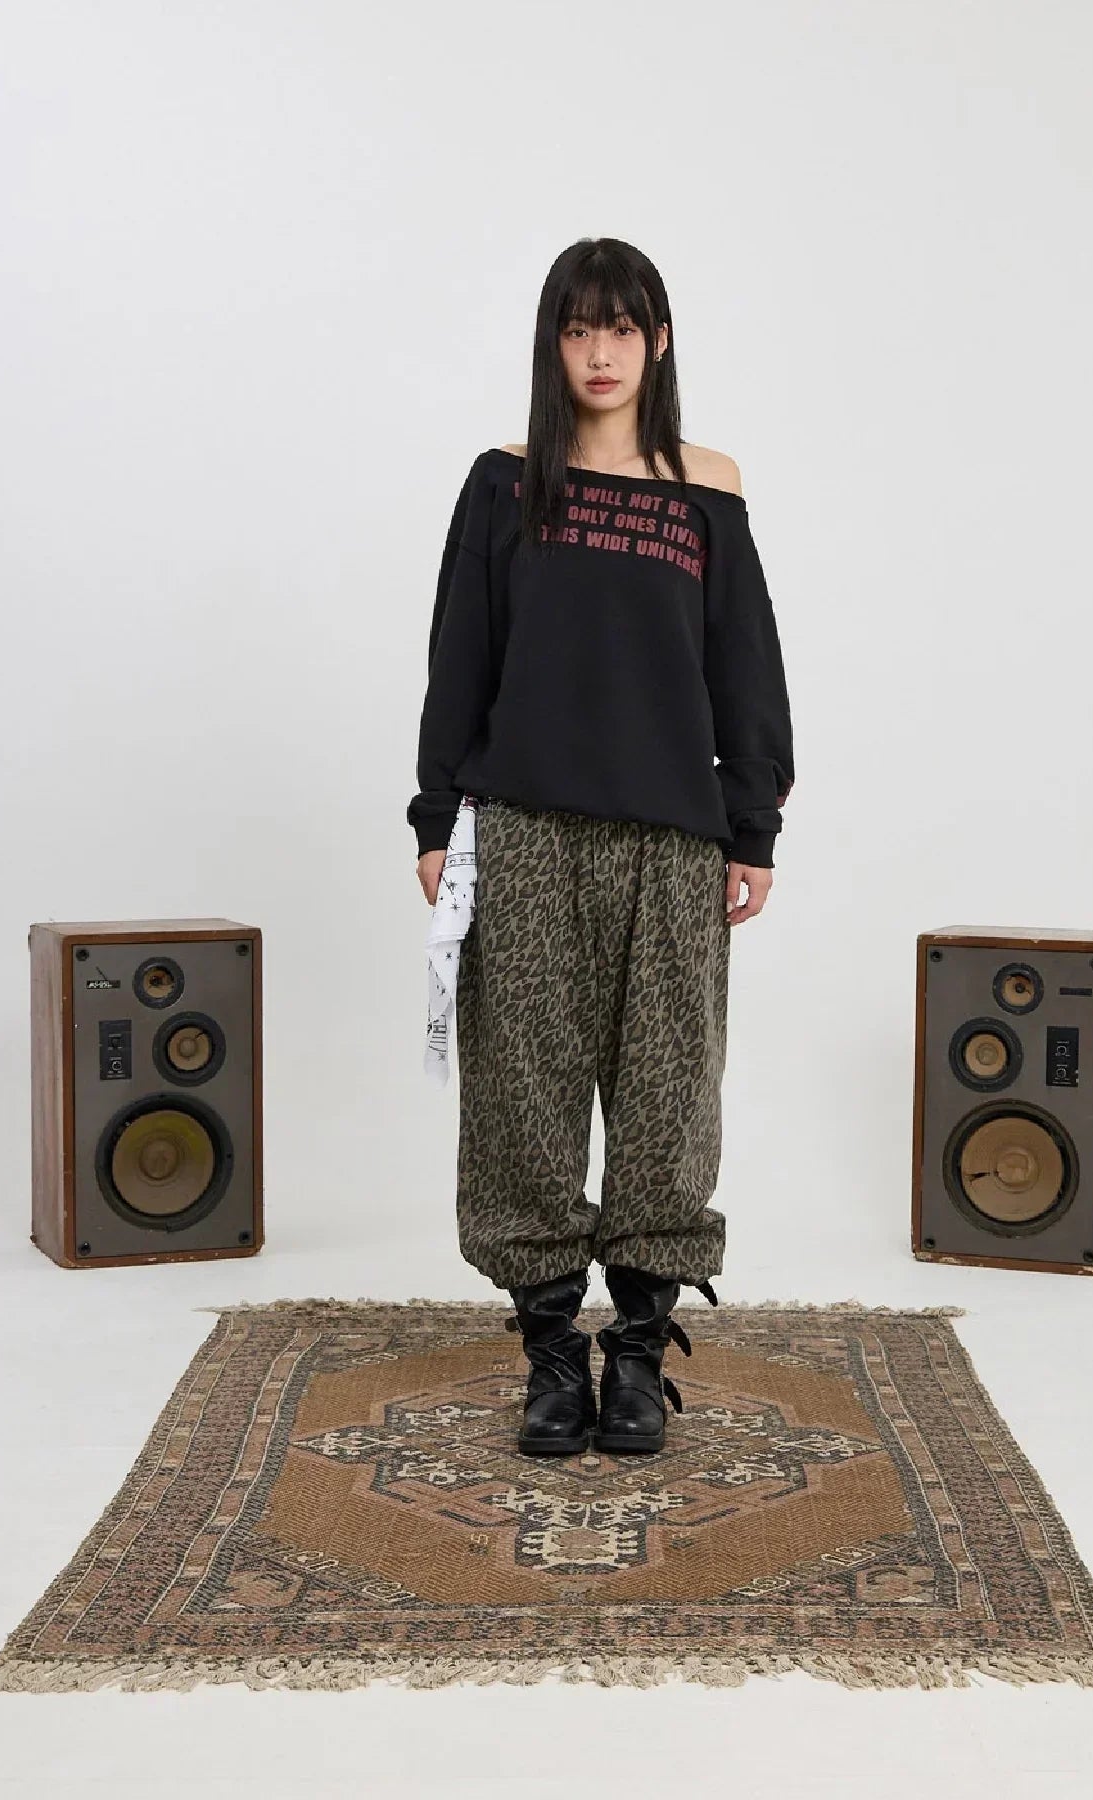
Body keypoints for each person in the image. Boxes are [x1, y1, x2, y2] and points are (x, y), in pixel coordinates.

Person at [406, 237, 795, 1460]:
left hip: (678, 840)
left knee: (669, 1095)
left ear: (659, 340)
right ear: (552, 342)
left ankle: (634, 1354)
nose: (602, 351)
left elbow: (744, 665)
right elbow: (460, 653)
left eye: (623, 327)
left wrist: (756, 824)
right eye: (579, 328)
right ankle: (548, 1357)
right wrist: (435, 813)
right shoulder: (506, 483)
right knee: (521, 1092)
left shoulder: (709, 485)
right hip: (520, 828)